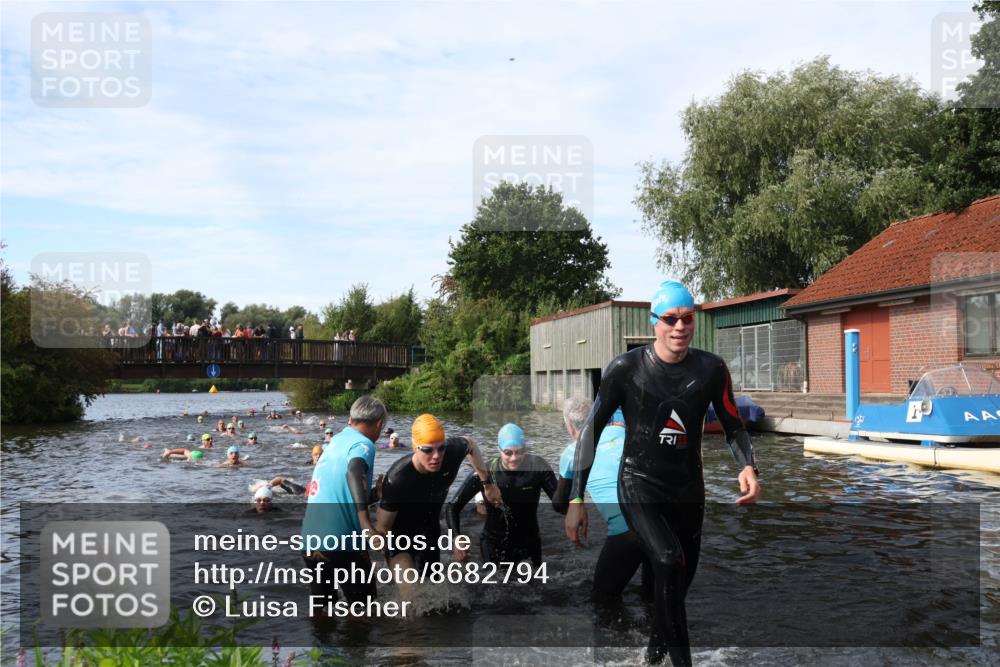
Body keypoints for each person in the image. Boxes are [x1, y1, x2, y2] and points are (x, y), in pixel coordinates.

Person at [564, 280, 760, 666]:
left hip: (687, 489)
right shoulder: (626, 369)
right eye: (670, 319)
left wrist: (748, 466)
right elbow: (590, 432)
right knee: (669, 561)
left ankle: (651, 661)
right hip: (638, 483)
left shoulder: (711, 369)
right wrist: (576, 498)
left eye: (687, 318)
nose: (679, 327)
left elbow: (733, 425)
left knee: (675, 588)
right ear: (653, 322)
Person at [375, 414, 501, 589]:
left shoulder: (452, 452)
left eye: (441, 448)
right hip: (400, 537)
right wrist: (385, 553)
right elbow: (383, 528)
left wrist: (487, 484)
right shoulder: (398, 478)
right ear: (414, 447)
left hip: (429, 531)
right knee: (411, 592)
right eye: (427, 450)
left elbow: (471, 444)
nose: (436, 456)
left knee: (432, 592)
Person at [555, 399, 652, 604]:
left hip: (628, 529)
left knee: (602, 600)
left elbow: (559, 502)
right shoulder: (627, 433)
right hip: (663, 522)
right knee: (652, 598)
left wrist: (576, 503)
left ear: (570, 427)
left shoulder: (572, 452)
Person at [301, 395, 387, 608]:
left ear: (351, 419)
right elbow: (354, 471)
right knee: (364, 608)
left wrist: (374, 495)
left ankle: (321, 632)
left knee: (323, 607)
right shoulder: (363, 444)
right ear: (379, 424)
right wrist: (367, 526)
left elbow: (341, 491)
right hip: (342, 542)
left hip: (310, 540)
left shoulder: (336, 441)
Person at [445, 423, 557, 566]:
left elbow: (559, 502)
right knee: (494, 581)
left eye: (520, 452)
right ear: (499, 450)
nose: (514, 458)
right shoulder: (485, 473)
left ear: (525, 448)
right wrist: (456, 538)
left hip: (530, 543)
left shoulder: (538, 467)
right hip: (493, 545)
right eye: (508, 453)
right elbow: (452, 507)